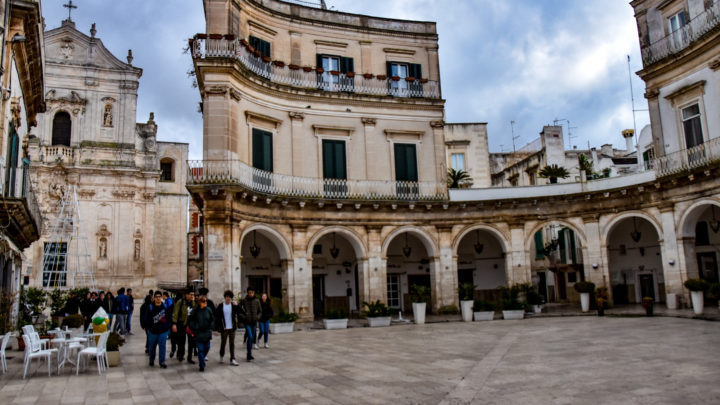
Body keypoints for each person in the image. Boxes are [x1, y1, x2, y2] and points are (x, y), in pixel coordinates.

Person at [144, 291, 171, 368]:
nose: (158, 298)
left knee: (162, 346)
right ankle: (151, 359)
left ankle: (162, 361)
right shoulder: (150, 307)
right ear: (154, 298)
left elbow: (169, 318)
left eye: (159, 297)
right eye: (156, 297)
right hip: (153, 331)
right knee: (152, 347)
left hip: (163, 331)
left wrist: (167, 327)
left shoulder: (165, 307)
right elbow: (147, 319)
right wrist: (150, 327)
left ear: (161, 297)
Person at [188, 295, 214, 372]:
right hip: (198, 333)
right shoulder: (195, 311)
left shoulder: (208, 310)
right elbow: (190, 320)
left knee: (207, 348)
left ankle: (202, 358)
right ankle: (202, 365)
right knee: (200, 349)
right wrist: (195, 327)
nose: (205, 303)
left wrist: (211, 326)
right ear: (199, 302)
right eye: (203, 301)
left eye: (206, 301)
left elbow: (212, 319)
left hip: (207, 332)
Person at [215, 290, 239, 366]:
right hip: (224, 328)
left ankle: (233, 359)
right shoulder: (221, 306)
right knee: (223, 343)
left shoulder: (233, 305)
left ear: (231, 298)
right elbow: (217, 318)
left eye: (229, 297)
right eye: (227, 297)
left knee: (232, 344)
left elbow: (241, 311)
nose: (228, 298)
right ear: (225, 297)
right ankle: (221, 355)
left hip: (232, 328)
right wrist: (216, 329)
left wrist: (237, 305)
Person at [171, 289, 196, 363]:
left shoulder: (193, 303)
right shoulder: (181, 302)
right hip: (182, 324)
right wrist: (174, 324)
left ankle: (189, 357)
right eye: (191, 295)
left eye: (193, 295)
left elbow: (195, 312)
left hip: (190, 325)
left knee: (191, 342)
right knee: (181, 341)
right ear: (187, 295)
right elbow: (175, 313)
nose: (192, 296)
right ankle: (181, 354)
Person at [239, 287, 261, 362]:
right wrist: (244, 317)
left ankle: (249, 354)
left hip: (254, 322)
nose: (250, 294)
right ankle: (249, 353)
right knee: (251, 337)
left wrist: (257, 317)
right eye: (249, 293)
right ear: (247, 293)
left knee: (251, 338)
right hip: (247, 322)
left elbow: (260, 311)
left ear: (253, 293)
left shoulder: (257, 301)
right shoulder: (244, 301)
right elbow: (239, 311)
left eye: (252, 292)